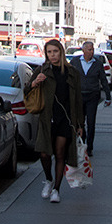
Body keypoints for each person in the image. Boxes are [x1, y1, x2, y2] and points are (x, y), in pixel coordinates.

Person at [29, 39, 83, 204]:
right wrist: (35, 83)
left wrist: (80, 124)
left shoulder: (72, 72)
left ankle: (56, 190)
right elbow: (27, 90)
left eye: (55, 51)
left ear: (61, 52)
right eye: (49, 52)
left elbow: (78, 100)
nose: (52, 55)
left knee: (60, 155)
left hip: (66, 119)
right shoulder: (42, 70)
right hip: (47, 119)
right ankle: (48, 179)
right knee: (44, 153)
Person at [72, 40, 112, 157]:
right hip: (79, 96)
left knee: (91, 122)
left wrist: (108, 97)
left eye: (92, 49)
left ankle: (89, 147)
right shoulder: (75, 62)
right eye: (89, 49)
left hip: (92, 96)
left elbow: (103, 80)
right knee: (80, 122)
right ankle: (82, 143)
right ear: (83, 50)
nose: (91, 51)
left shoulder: (97, 63)